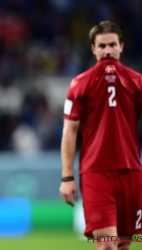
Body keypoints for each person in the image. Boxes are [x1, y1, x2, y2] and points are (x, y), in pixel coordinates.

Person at [59, 20, 142, 250]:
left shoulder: (137, 82)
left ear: (122, 46)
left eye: (112, 45)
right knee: (106, 244)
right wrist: (67, 177)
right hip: (96, 173)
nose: (108, 50)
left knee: (124, 245)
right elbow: (70, 131)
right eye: (102, 46)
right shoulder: (79, 84)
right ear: (93, 49)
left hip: (131, 173)